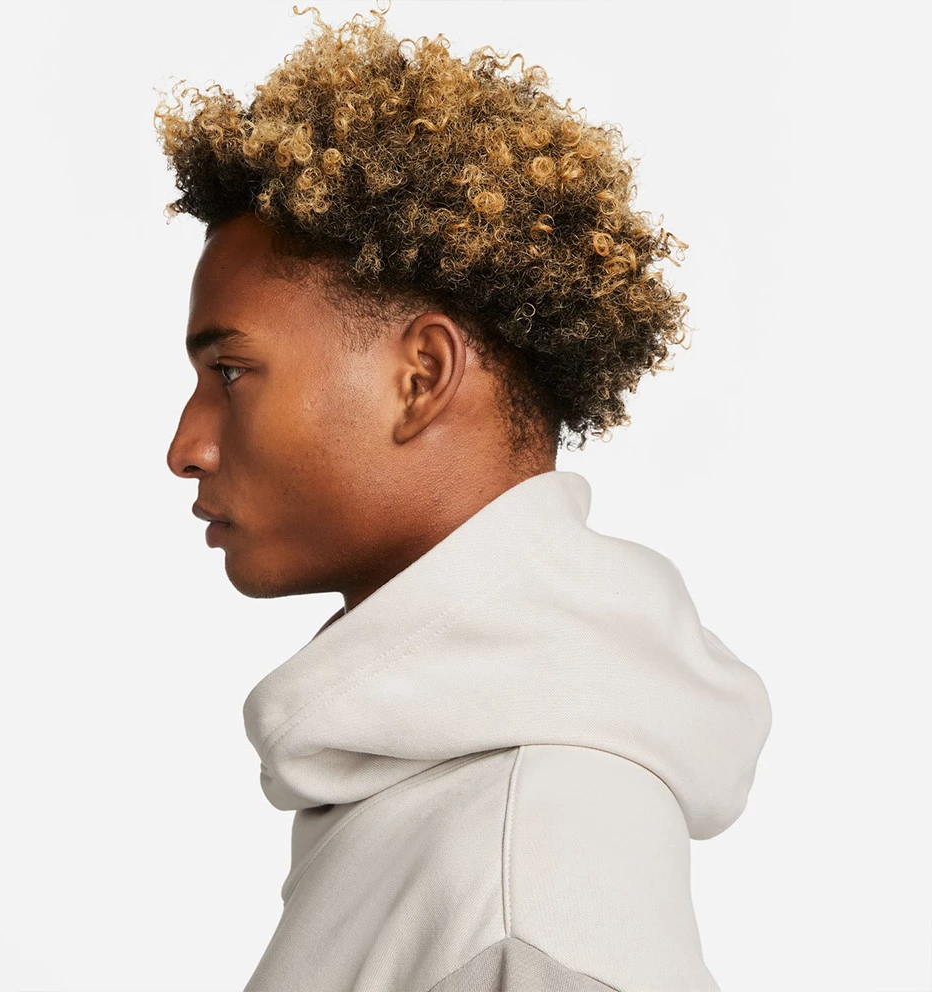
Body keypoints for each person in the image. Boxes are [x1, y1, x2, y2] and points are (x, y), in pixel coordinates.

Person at [157, 4, 772, 990]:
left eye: (229, 372)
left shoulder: (526, 882)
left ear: (422, 376)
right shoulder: (439, 806)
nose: (186, 447)